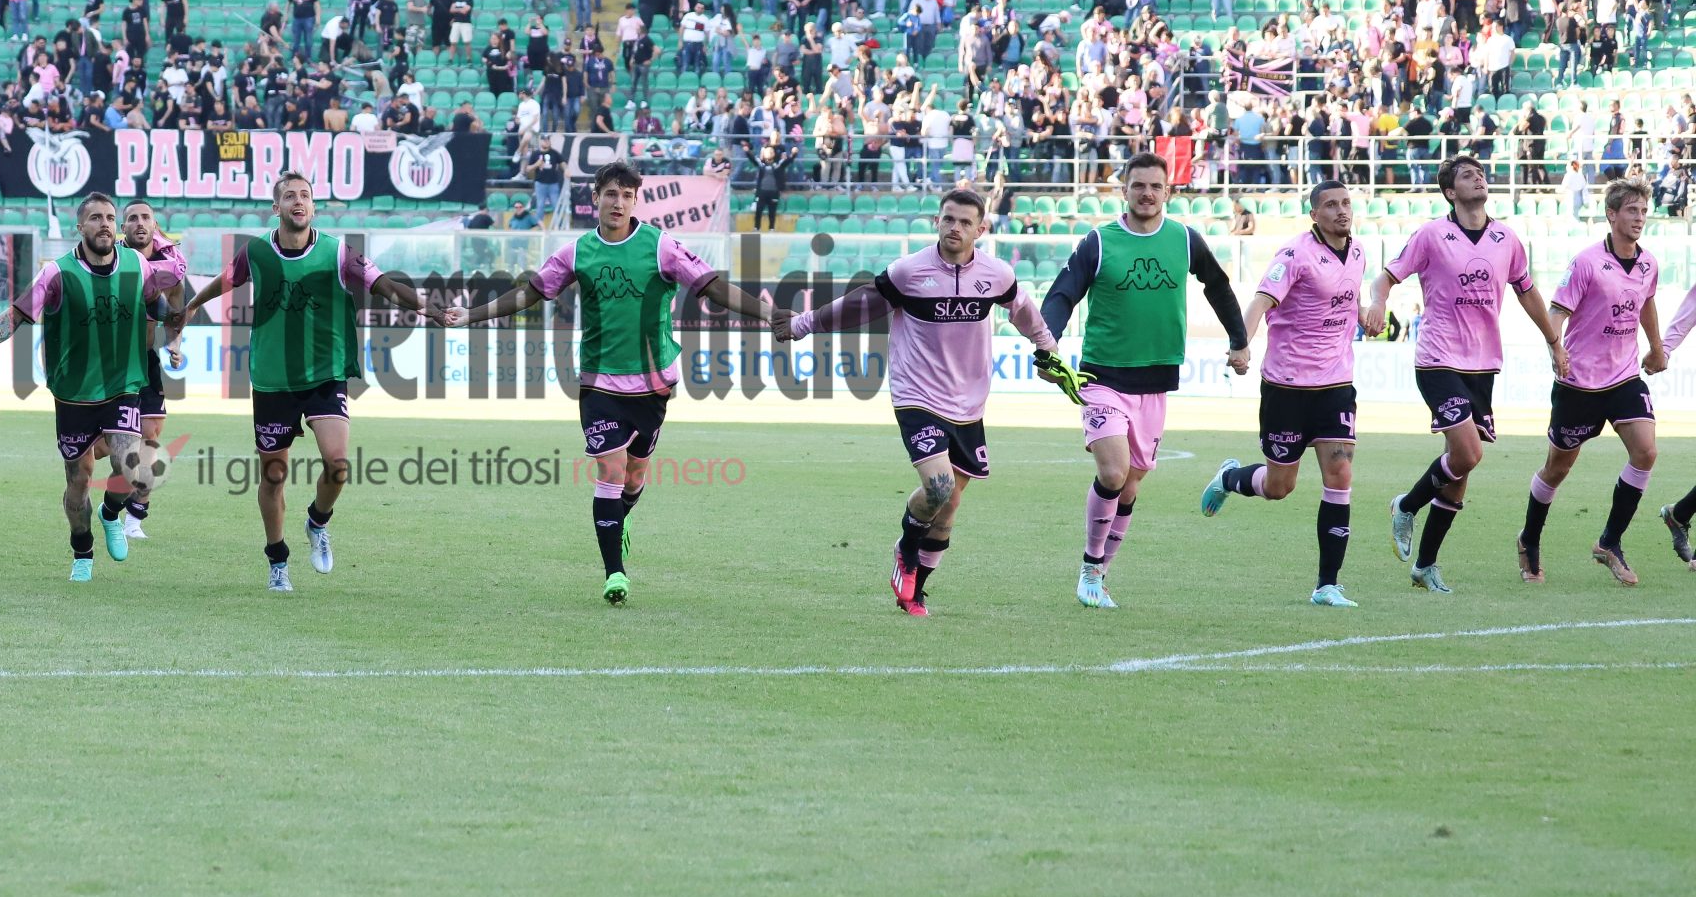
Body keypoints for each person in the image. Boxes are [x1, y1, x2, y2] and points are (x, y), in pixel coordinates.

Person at [445, 162, 784, 604]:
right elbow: (531, 292)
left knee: (635, 474)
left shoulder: (661, 247)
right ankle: (614, 573)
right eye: (610, 194)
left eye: (626, 195)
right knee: (610, 469)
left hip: (653, 384)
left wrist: (767, 313)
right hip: (598, 382)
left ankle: (621, 519)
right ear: (596, 200)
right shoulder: (576, 252)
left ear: (636, 200)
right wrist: (472, 315)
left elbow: (711, 287)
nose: (618, 202)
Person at [776, 187, 1077, 616]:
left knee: (949, 506)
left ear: (981, 229)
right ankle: (906, 549)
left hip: (969, 403)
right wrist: (803, 324)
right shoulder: (908, 271)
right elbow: (859, 305)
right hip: (916, 394)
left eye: (964, 222)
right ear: (937, 220)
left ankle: (917, 589)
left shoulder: (997, 274)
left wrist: (1048, 349)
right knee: (937, 486)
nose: (954, 227)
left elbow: (1024, 310)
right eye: (948, 219)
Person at [172, 172, 435, 592]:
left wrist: (427, 308)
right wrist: (189, 307)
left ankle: (317, 521)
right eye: (289, 196)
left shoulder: (337, 252)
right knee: (273, 476)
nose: (298, 201)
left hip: (324, 374)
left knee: (338, 463)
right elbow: (225, 281)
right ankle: (278, 561)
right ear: (275, 208)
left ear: (314, 207)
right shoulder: (255, 251)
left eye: (305, 196)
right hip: (273, 380)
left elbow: (383, 285)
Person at [1040, 151, 1253, 609]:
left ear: (1168, 192)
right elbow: (1062, 293)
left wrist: (1239, 340)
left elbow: (1217, 285)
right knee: (1113, 473)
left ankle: (1101, 574)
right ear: (1125, 190)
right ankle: (1089, 570)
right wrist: (1046, 342)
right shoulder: (1099, 241)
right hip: (1101, 377)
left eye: (1156, 186)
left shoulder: (1184, 239)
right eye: (1138, 185)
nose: (1147, 193)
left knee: (1131, 486)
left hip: (1155, 381)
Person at [1364, 155, 1568, 593]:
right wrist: (1378, 301)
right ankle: (1407, 504)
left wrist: (1554, 340)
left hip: (1483, 365)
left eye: (1481, 172)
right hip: (1438, 359)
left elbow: (1528, 294)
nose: (1478, 177)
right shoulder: (1431, 235)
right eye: (1466, 175)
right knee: (1468, 453)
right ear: (1450, 192)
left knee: (1460, 473)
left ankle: (1425, 565)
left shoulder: (1506, 238)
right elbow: (1384, 279)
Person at [0, 193, 184, 581]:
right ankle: (82, 551)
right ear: (80, 226)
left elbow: (161, 296)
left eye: (109, 217)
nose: (105, 224)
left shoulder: (137, 264)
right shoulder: (57, 273)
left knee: (136, 469)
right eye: (95, 218)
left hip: (123, 384)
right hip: (73, 394)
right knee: (79, 481)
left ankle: (110, 513)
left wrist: (174, 323)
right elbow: (19, 313)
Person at [1198, 179, 1369, 607]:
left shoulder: (1359, 251)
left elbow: (1348, 302)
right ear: (1314, 214)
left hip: (1335, 385)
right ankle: (1230, 478)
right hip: (1287, 387)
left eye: (1345, 203)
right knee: (1279, 487)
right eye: (1330, 205)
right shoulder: (1294, 255)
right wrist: (1242, 344)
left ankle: (1327, 585)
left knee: (1341, 475)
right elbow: (1259, 302)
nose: (1341, 211)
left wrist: (1366, 313)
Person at [1519, 179, 1664, 586]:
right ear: (1612, 215)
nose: (1639, 218)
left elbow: (1647, 301)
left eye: (1643, 211)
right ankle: (1529, 539)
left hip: (1624, 379)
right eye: (1632, 210)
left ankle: (1609, 543)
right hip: (1579, 384)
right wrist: (1556, 348)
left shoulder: (1648, 263)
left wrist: (1655, 347)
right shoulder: (1585, 263)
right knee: (1557, 469)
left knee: (1646, 451)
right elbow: (1557, 310)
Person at [120, 198, 189, 541]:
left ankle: (134, 519)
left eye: (145, 217)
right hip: (112, 362)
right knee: (106, 447)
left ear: (155, 224)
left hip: (145, 361)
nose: (139, 223)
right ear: (123, 228)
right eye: (132, 218)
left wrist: (174, 344)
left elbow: (177, 315)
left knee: (151, 438)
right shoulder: (110, 261)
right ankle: (109, 505)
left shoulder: (171, 267)